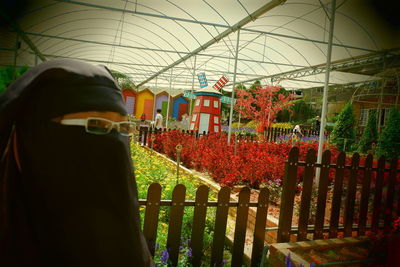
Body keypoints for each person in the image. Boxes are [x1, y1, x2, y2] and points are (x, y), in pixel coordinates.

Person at [0, 59, 153, 266]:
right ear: (36, 135)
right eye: (96, 124)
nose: (115, 143)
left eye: (123, 127)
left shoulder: (130, 244)